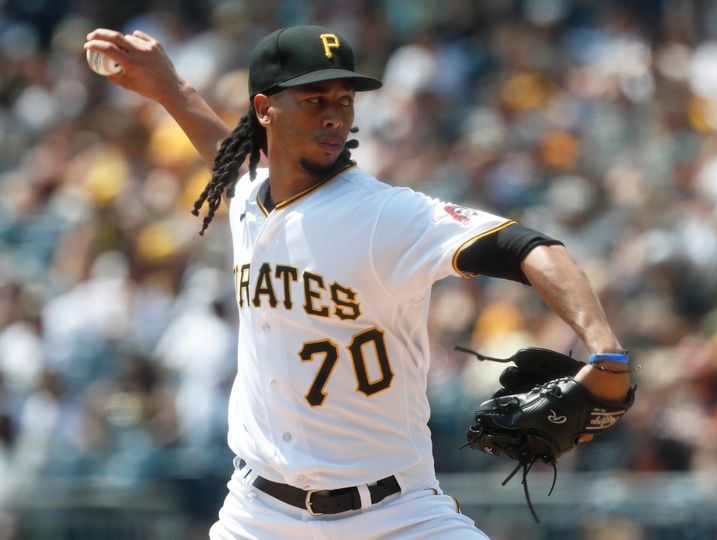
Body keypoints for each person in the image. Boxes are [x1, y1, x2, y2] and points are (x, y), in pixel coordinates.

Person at [84, 24, 633, 539]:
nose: (334, 116)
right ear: (264, 109)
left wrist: (604, 348)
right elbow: (224, 156)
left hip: (396, 515)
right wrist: (170, 88)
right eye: (315, 99)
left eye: (344, 101)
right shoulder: (251, 199)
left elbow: (530, 247)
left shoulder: (385, 216)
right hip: (258, 515)